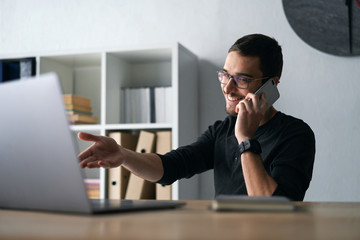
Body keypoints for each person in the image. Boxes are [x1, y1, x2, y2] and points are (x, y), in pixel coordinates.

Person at [78, 34, 315, 201]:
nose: (228, 87)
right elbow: (170, 168)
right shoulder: (221, 131)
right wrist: (123, 155)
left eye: (241, 79)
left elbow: (275, 210)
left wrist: (245, 139)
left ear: (271, 85)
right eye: (225, 75)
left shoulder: (296, 135)